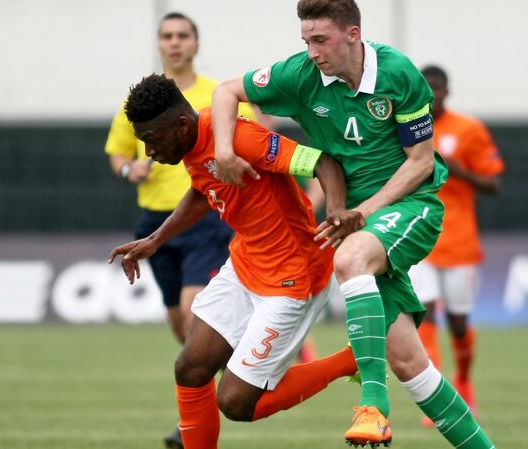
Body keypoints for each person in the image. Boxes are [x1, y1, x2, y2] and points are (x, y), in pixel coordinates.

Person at [209, 1, 497, 448]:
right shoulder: (299, 75)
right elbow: (226, 92)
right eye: (306, 41)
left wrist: (366, 210)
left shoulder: (398, 74)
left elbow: (420, 164)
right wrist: (225, 152)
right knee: (410, 364)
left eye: (320, 40)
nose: (312, 52)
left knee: (349, 257)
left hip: (410, 204)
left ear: (352, 34)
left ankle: (373, 408)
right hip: (359, 222)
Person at [109, 74, 363, 449]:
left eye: (150, 140)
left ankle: (353, 359)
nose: (148, 152)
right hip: (246, 264)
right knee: (190, 368)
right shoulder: (190, 144)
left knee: (236, 402)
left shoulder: (241, 138)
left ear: (180, 125)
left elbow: (322, 162)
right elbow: (202, 189)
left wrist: (338, 210)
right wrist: (156, 239)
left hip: (292, 277)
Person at [103, 13, 267, 448]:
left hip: (208, 218)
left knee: (198, 313)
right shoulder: (138, 105)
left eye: (183, 36)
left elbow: (256, 130)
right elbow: (117, 154)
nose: (175, 43)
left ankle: (205, 412)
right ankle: (204, 402)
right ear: (160, 44)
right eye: (167, 36)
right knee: (181, 325)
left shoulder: (218, 94)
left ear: (195, 44)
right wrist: (129, 170)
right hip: (155, 220)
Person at [408, 65, 505, 426]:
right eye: (426, 90)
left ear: (448, 91)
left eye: (437, 89)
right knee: (426, 312)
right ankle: (440, 397)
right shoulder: (406, 129)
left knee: (460, 323)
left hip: (460, 241)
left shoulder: (468, 130)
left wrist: (456, 170)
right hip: (419, 238)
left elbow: (494, 185)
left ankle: (464, 379)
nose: (432, 97)